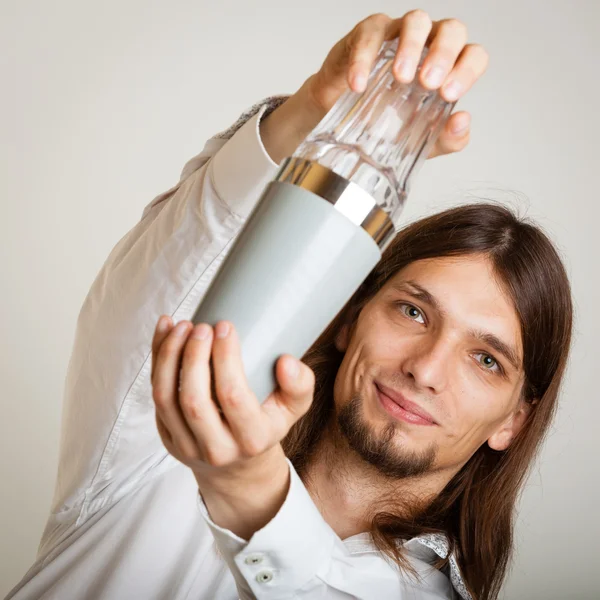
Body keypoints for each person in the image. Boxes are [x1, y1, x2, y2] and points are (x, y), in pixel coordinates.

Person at [6, 10, 572, 600]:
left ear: (514, 419)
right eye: (413, 312)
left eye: (487, 360)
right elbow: (179, 262)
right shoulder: (170, 439)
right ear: (350, 321)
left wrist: (252, 491)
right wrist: (322, 108)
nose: (425, 370)